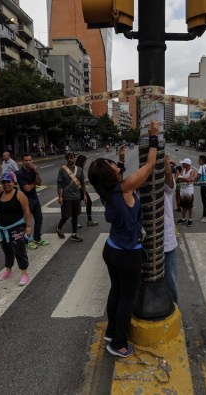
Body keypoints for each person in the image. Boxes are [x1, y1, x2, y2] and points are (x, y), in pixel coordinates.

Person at [87, 120, 159, 358]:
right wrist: (154, 136)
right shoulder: (126, 188)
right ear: (112, 174)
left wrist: (118, 160)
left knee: (116, 291)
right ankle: (118, 343)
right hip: (128, 253)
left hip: (112, 250)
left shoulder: (107, 190)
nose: (117, 166)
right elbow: (150, 165)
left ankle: (111, 331)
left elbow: (111, 178)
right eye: (113, 165)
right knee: (127, 298)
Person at [0, 172, 33, 286]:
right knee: (6, 250)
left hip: (16, 228)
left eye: (9, 181)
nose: (6, 184)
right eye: (4, 182)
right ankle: (8, 271)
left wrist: (28, 226)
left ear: (13, 182)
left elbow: (27, 210)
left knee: (19, 250)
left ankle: (24, 274)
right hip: (2, 229)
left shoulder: (19, 195)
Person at [16, 154, 50, 249]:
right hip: (26, 200)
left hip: (35, 198)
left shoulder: (33, 171)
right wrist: (34, 182)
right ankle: (28, 240)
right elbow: (27, 189)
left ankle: (37, 238)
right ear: (22, 161)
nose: (28, 162)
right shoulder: (20, 173)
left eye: (30, 160)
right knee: (27, 222)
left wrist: (36, 173)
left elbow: (39, 182)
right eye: (26, 160)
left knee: (39, 218)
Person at [56, 151, 85, 242]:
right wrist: (60, 196)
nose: (70, 159)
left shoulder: (79, 169)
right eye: (68, 158)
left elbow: (82, 183)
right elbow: (59, 184)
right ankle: (59, 228)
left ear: (74, 158)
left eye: (71, 157)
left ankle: (74, 234)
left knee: (75, 216)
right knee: (66, 216)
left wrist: (84, 195)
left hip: (76, 197)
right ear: (66, 159)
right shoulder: (62, 169)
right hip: (67, 197)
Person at [164, 155, 179, 303]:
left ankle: (174, 307)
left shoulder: (168, 187)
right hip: (146, 242)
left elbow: (168, 175)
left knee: (170, 279)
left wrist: (164, 159)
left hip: (167, 241)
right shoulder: (142, 186)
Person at [75, 154, 99, 227]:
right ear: (81, 162)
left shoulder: (79, 168)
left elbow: (82, 180)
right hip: (76, 190)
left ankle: (89, 220)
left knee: (88, 203)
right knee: (76, 206)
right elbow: (77, 181)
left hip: (81, 190)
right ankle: (75, 223)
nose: (85, 163)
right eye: (85, 162)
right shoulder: (76, 169)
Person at [177, 158, 196, 227]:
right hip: (183, 190)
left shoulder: (192, 171)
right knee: (183, 205)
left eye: (183, 163)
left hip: (189, 190)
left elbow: (190, 180)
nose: (182, 164)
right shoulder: (183, 170)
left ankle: (190, 220)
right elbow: (180, 179)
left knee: (190, 206)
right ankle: (183, 219)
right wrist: (183, 179)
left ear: (187, 164)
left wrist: (182, 178)